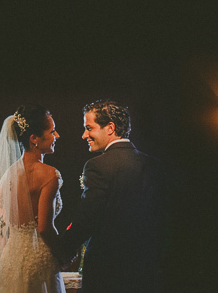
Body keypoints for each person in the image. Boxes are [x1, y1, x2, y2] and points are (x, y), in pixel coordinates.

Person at [0, 105, 65, 293]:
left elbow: (0, 224)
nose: (56, 136)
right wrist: (63, 253)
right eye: (52, 131)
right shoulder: (50, 175)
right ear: (34, 139)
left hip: (10, 260)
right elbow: (44, 228)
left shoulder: (8, 175)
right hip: (38, 259)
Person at [59, 100, 162, 293]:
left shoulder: (97, 165)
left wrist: (63, 250)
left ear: (110, 128)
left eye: (89, 128)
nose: (84, 135)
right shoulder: (153, 165)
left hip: (107, 268)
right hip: (146, 267)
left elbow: (87, 216)